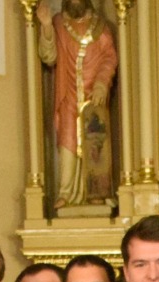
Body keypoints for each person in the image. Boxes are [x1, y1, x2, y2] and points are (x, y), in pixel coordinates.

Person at [36, 0, 118, 209]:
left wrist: (101, 83)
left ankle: (97, 190)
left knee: (96, 141)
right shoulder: (59, 24)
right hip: (68, 95)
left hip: (94, 97)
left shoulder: (100, 27)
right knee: (68, 140)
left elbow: (109, 58)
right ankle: (66, 192)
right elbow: (49, 57)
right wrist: (46, 26)